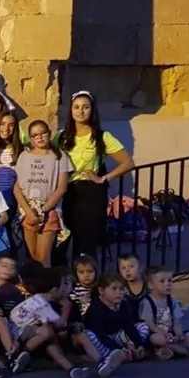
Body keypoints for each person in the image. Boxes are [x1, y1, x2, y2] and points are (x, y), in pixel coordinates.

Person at [59, 91, 135, 262]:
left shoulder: (102, 136)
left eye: (85, 107)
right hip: (67, 191)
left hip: (90, 193)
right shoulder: (62, 136)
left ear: (92, 110)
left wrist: (103, 178)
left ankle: (86, 276)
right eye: (76, 107)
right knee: (66, 239)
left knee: (86, 242)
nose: (80, 111)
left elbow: (127, 162)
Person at [9, 267, 97, 378]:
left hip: (25, 331)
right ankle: (22, 354)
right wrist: (67, 309)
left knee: (49, 338)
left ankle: (72, 369)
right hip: (19, 334)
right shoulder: (42, 304)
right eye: (64, 285)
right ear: (54, 290)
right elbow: (59, 324)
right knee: (48, 331)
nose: (67, 288)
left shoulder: (37, 298)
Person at [14, 120, 72, 267]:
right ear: (30, 138)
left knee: (43, 258)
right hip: (28, 210)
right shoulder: (24, 156)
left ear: (49, 133)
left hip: (49, 210)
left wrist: (42, 210)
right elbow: (17, 188)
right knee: (31, 258)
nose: (39, 137)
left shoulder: (60, 156)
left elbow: (62, 188)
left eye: (43, 133)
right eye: (35, 135)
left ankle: (46, 281)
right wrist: (29, 211)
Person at [139, 267, 189, 359]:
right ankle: (182, 350)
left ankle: (169, 349)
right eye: (162, 281)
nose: (167, 284)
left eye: (169, 280)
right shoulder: (147, 302)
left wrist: (178, 334)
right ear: (151, 285)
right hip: (157, 333)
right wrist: (164, 333)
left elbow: (176, 320)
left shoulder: (172, 301)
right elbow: (150, 325)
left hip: (171, 333)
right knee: (157, 339)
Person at [84, 275, 149, 365]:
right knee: (88, 335)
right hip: (102, 339)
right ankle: (113, 356)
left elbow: (129, 326)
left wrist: (139, 344)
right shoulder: (95, 309)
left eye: (121, 289)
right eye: (114, 289)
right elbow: (100, 334)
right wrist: (118, 349)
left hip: (117, 336)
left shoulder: (123, 304)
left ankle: (132, 350)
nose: (119, 292)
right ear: (101, 291)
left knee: (143, 326)